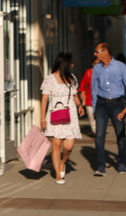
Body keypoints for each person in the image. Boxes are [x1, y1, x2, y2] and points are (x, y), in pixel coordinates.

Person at [91, 42, 126, 176]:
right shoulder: (96, 69)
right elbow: (94, 88)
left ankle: (121, 162)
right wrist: (94, 107)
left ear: (105, 52)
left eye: (97, 52)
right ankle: (100, 166)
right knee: (99, 135)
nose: (95, 54)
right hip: (101, 104)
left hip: (117, 104)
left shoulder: (120, 67)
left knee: (120, 134)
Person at [40, 52, 85, 184]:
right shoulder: (49, 79)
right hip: (55, 114)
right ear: (64, 64)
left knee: (69, 146)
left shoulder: (72, 78)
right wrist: (42, 119)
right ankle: (58, 175)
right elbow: (44, 100)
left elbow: (75, 95)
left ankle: (62, 162)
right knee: (56, 144)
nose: (73, 65)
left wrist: (79, 106)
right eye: (71, 63)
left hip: (70, 115)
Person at [79, 58, 99, 135]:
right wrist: (82, 92)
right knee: (91, 117)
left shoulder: (104, 72)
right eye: (95, 63)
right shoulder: (88, 72)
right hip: (89, 99)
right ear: (92, 64)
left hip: (101, 99)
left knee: (100, 118)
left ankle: (99, 132)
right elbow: (83, 83)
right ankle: (95, 132)